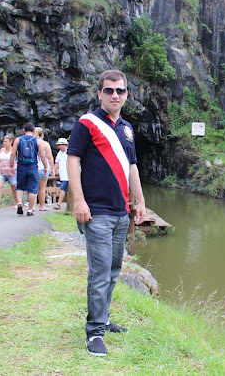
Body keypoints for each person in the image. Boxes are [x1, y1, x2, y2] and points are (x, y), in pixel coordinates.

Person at [67, 69, 146, 357]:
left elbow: (132, 167)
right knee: (99, 272)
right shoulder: (87, 124)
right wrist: (79, 200)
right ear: (100, 93)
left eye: (120, 91)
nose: (115, 95)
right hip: (96, 212)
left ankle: (104, 318)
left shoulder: (126, 128)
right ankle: (94, 332)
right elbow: (73, 160)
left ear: (126, 95)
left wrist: (140, 201)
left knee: (113, 271)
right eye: (109, 90)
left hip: (120, 213)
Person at [9, 122, 48, 216]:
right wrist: (46, 166)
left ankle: (19, 203)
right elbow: (42, 155)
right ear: (34, 131)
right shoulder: (37, 141)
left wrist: (11, 165)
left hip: (21, 167)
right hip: (33, 167)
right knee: (33, 189)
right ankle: (30, 209)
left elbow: (13, 154)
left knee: (20, 187)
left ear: (24, 130)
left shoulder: (18, 140)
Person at [0, 134, 18, 209]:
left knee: (14, 188)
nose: (4, 143)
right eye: (3, 141)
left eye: (6, 141)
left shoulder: (14, 151)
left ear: (10, 141)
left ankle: (16, 203)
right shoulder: (1, 151)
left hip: (12, 172)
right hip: (2, 171)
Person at [34, 127, 55, 211]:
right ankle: (42, 206)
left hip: (32, 167)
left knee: (33, 187)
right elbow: (49, 157)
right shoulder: (45, 144)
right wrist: (52, 168)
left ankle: (32, 206)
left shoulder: (31, 142)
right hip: (43, 168)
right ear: (41, 134)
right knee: (42, 188)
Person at [53, 137, 69, 210]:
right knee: (64, 189)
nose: (58, 147)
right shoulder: (60, 153)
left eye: (60, 145)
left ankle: (59, 204)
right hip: (63, 175)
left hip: (68, 175)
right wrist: (53, 171)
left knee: (63, 188)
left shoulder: (69, 152)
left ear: (64, 145)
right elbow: (57, 163)